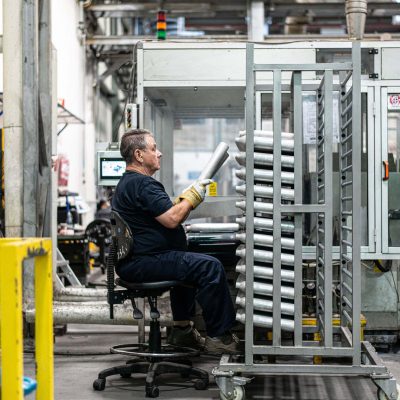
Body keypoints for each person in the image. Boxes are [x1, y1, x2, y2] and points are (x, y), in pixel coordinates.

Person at [112, 128, 239, 353]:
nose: (159, 153)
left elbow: (163, 214)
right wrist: (192, 198)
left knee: (185, 262)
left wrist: (184, 200)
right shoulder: (144, 184)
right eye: (153, 149)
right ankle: (219, 337)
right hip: (144, 262)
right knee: (209, 267)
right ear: (139, 155)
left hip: (136, 261)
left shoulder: (127, 183)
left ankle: (182, 331)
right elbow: (172, 219)